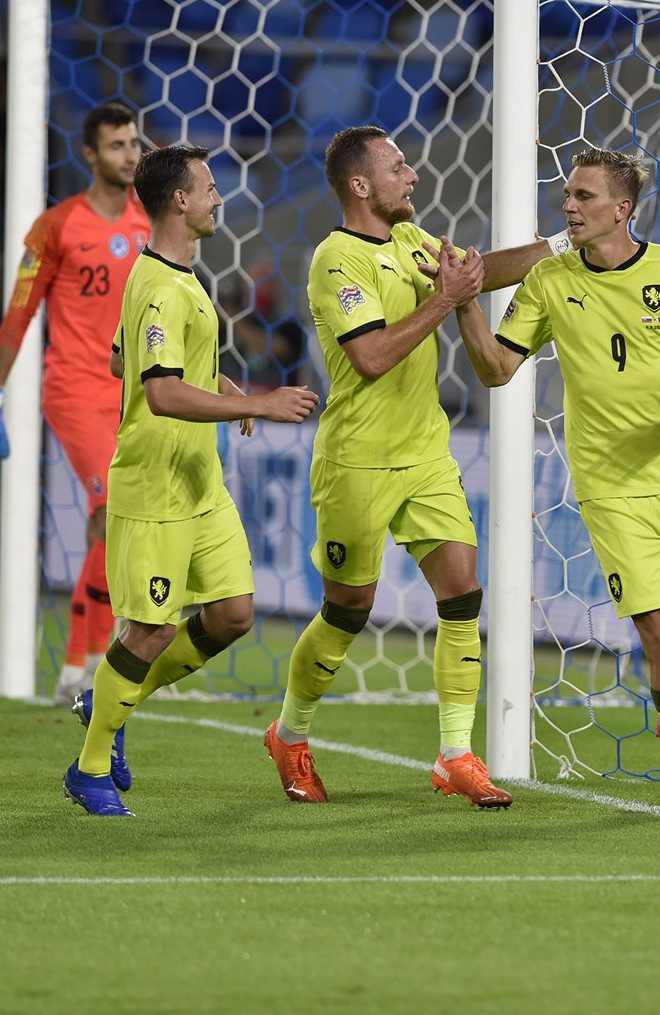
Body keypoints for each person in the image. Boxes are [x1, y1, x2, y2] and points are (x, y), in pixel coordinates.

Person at [263, 125, 557, 809]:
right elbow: (370, 357)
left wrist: (570, 244)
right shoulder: (336, 260)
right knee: (347, 611)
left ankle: (456, 755)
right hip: (357, 461)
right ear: (360, 185)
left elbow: (479, 271)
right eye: (398, 167)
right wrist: (446, 300)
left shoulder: (411, 240)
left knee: (462, 593)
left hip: (425, 452)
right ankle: (289, 734)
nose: (414, 175)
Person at [455, 147, 660, 822]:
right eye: (567, 195)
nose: (568, 206)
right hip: (608, 486)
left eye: (584, 196)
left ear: (623, 208)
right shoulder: (548, 281)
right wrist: (464, 305)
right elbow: (496, 369)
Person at [62, 144, 319, 816]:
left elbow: (123, 361)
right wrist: (257, 401)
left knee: (232, 614)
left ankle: (110, 700)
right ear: (179, 200)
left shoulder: (177, 276)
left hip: (201, 484)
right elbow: (161, 393)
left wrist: (215, 380)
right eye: (208, 187)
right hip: (155, 488)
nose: (217, 197)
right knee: (148, 632)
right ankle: (90, 769)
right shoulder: (160, 286)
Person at [0, 101, 148, 706]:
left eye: (134, 143)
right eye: (116, 145)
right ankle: (91, 663)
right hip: (75, 390)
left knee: (117, 524)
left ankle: (75, 668)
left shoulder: (149, 221)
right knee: (115, 509)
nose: (130, 155)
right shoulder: (55, 227)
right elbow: (19, 314)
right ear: (89, 154)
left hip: (137, 394)